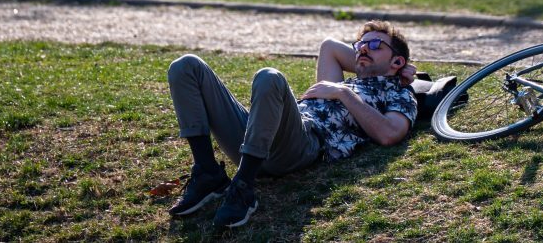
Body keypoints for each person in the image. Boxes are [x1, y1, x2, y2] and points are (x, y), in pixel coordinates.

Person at [164, 21, 418, 229]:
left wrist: (344, 92)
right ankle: (208, 172)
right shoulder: (342, 81)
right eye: (360, 45)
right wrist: (370, 59)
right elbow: (329, 46)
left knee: (269, 77)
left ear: (396, 62)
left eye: (374, 44)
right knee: (186, 66)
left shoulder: (400, 95)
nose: (362, 49)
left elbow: (390, 134)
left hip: (302, 143)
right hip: (257, 135)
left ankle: (243, 187)